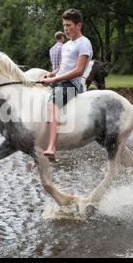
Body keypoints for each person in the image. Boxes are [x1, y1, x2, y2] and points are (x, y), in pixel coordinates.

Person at [40, 9, 93, 161]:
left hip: (71, 84)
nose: (66, 29)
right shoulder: (66, 45)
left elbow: (78, 71)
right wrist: (50, 75)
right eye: (64, 25)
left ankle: (51, 147)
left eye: (69, 25)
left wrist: (53, 80)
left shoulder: (84, 43)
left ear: (79, 25)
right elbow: (61, 68)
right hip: (59, 81)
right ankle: (38, 151)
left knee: (51, 106)